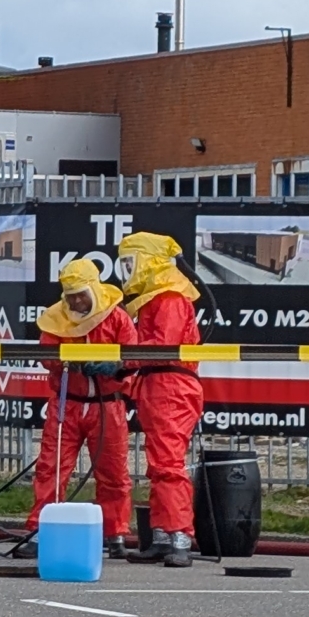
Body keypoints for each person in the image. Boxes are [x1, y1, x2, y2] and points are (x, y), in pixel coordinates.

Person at [25, 257, 136, 557]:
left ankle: (115, 533)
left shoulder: (116, 318)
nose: (75, 301)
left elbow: (134, 354)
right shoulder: (57, 320)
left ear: (93, 290)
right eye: (70, 296)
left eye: (80, 295)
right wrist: (66, 360)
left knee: (113, 473)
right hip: (67, 404)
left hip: (107, 406)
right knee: (51, 468)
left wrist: (114, 365)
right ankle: (41, 528)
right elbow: (47, 353)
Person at [118, 231, 206, 567]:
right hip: (159, 386)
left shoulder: (169, 299)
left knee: (168, 464)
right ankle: (161, 535)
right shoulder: (156, 298)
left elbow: (161, 347)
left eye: (130, 263)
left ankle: (179, 536)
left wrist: (121, 360)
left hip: (171, 387)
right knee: (158, 464)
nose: (127, 270)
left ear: (149, 262)